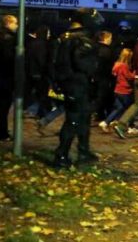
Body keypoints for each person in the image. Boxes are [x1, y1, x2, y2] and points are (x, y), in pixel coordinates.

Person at [53, 9, 99, 168]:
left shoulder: (66, 38)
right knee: (74, 120)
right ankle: (62, 155)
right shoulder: (80, 40)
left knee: (83, 119)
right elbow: (84, 65)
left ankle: (83, 151)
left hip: (73, 84)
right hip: (78, 85)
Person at [101, 48, 138, 134]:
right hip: (125, 90)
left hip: (117, 90)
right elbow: (129, 77)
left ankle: (106, 122)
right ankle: (130, 127)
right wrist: (135, 73)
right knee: (130, 109)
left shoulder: (117, 64)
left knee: (119, 108)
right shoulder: (124, 66)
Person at [26, 25, 51, 119]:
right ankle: (41, 113)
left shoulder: (32, 43)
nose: (49, 35)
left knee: (33, 93)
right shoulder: (43, 44)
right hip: (40, 73)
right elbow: (41, 59)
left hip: (31, 71)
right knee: (43, 94)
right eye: (48, 33)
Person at [93, 30, 116, 125]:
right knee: (105, 97)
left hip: (96, 76)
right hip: (105, 77)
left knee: (99, 96)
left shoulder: (94, 48)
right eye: (110, 38)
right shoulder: (107, 50)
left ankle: (99, 114)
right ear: (105, 38)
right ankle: (107, 116)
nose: (111, 40)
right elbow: (110, 65)